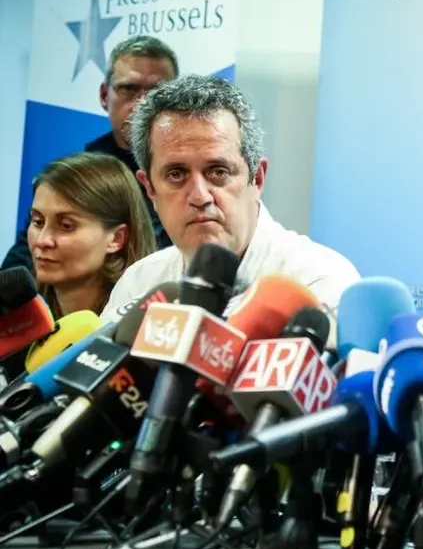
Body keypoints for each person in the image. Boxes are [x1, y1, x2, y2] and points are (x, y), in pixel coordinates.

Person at [100, 74, 360, 334]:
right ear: (150, 189)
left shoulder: (318, 281)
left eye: (218, 171)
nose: (200, 196)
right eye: (176, 174)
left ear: (256, 179)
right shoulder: (139, 284)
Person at [2, 35, 177, 271]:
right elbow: (22, 263)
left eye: (157, 92)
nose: (143, 103)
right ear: (105, 96)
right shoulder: (75, 177)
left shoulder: (195, 176)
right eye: (129, 88)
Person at [28, 152, 157, 319]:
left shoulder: (143, 329)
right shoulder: (17, 316)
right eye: (38, 221)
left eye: (66, 226)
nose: (42, 240)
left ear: (117, 238)